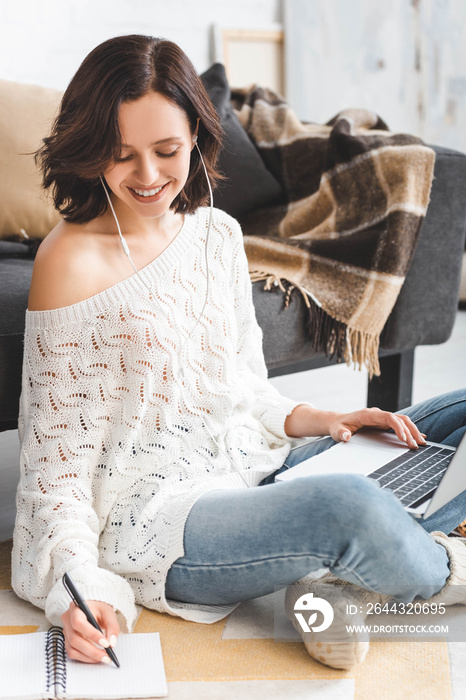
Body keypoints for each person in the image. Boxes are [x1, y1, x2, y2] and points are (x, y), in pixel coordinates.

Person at [11, 34, 466, 671]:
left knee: (455, 414)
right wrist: (78, 591)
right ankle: (442, 564)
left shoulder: (215, 233)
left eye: (167, 151)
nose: (148, 177)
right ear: (91, 154)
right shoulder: (71, 262)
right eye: (122, 156)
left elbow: (242, 388)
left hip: (261, 463)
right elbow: (53, 472)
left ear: (197, 134)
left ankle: (342, 580)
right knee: (349, 506)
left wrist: (324, 420)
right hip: (166, 523)